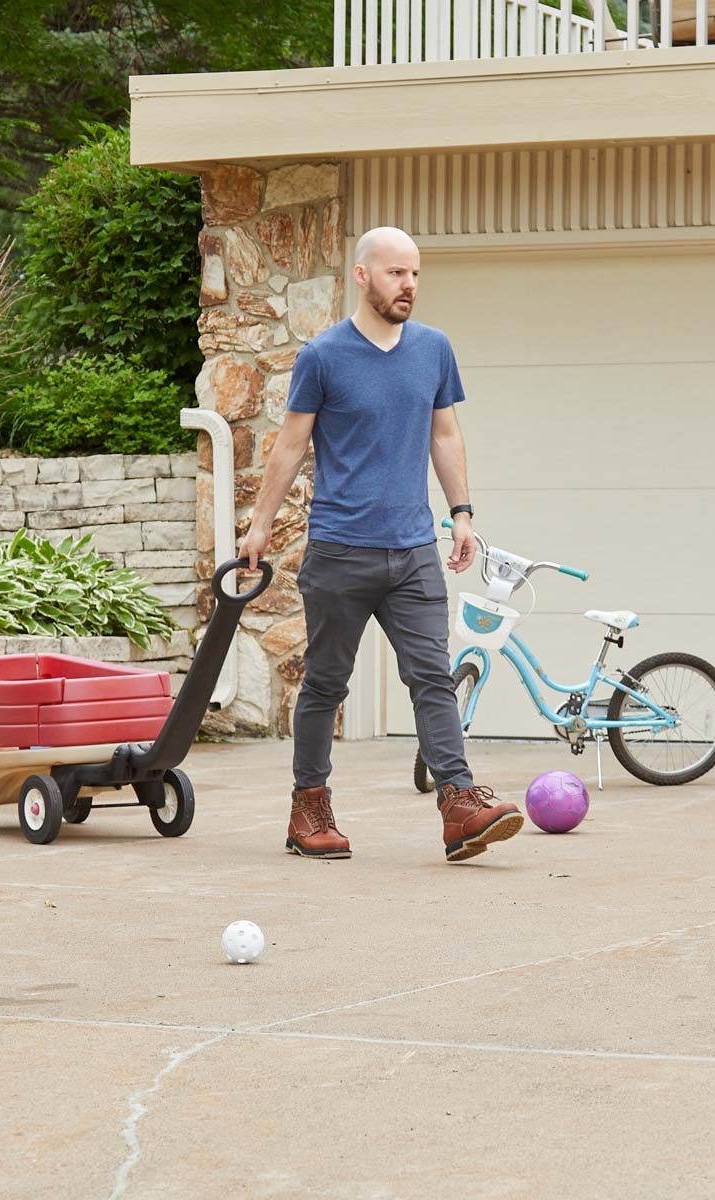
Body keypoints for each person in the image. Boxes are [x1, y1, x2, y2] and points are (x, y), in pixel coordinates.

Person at [238, 226, 524, 863]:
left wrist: (463, 514)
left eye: (416, 274)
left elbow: (445, 436)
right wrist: (260, 525)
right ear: (363, 276)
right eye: (397, 274)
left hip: (415, 549)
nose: (410, 286)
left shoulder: (433, 349)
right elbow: (289, 445)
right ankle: (308, 809)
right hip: (340, 550)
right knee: (325, 686)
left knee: (433, 678)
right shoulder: (324, 355)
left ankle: (458, 804)